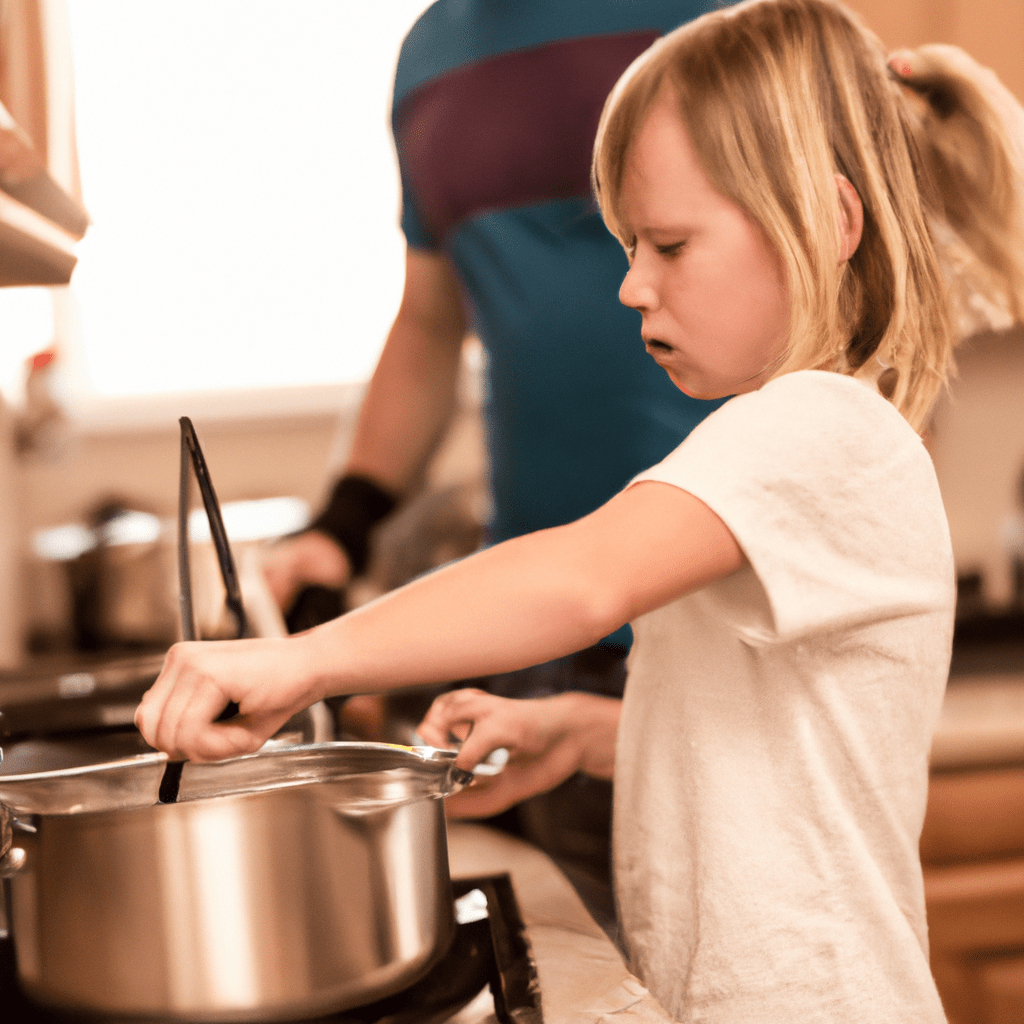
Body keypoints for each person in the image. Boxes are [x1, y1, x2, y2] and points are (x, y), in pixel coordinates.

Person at [137, 0, 1024, 1018]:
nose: (630, 287)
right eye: (625, 246)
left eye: (668, 245)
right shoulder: (783, 432)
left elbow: (579, 577)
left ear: (827, 224)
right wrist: (589, 730)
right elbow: (770, 739)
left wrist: (302, 657)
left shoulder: (817, 426)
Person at [262, 0, 729, 924]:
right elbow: (433, 321)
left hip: (713, 629)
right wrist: (342, 525)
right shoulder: (428, 57)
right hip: (530, 646)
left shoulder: (722, 19)